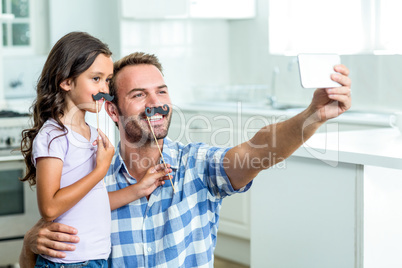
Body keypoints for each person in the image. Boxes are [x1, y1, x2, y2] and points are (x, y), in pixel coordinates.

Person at [20, 52, 352, 267]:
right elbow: (44, 254)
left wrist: (313, 115)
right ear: (112, 109)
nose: (156, 103)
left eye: (162, 92)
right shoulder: (87, 173)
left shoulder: (196, 165)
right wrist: (29, 246)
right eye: (139, 95)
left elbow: (257, 149)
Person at [20, 34, 171, 267]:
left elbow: (92, 201)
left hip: (94, 259)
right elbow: (49, 208)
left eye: (107, 80)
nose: (104, 88)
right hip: (67, 262)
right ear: (66, 81)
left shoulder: (91, 132)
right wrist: (100, 171)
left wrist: (140, 188)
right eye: (96, 78)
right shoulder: (53, 136)